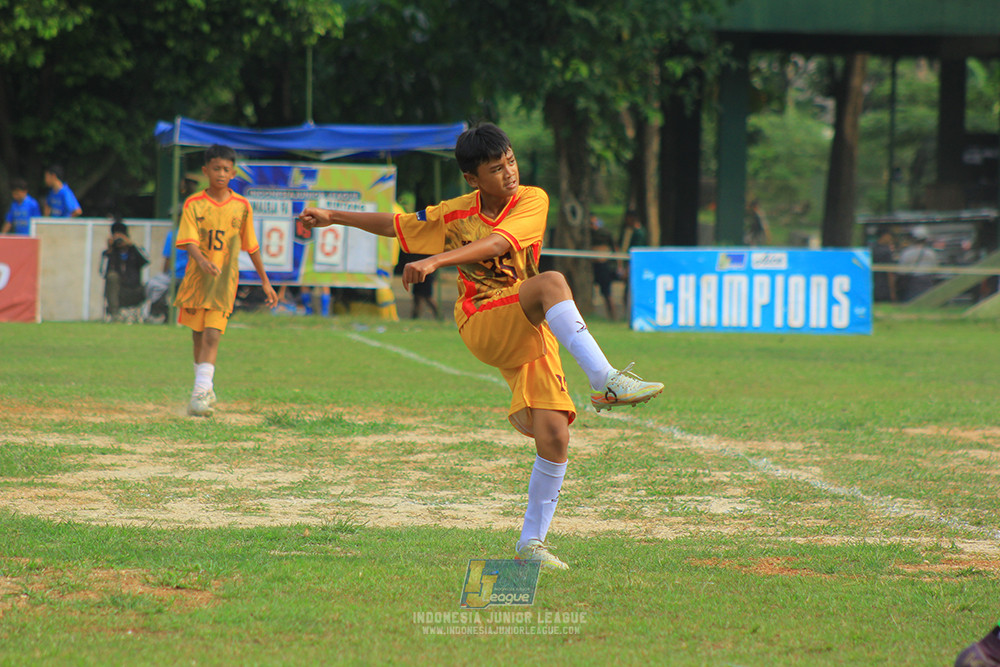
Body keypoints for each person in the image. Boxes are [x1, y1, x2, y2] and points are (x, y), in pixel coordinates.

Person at [298, 123, 664, 571]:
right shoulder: (454, 213)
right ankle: (606, 379)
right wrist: (334, 216)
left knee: (555, 435)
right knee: (550, 283)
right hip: (482, 319)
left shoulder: (533, 198)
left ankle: (531, 543)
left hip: (527, 320)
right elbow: (398, 226)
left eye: (511, 161)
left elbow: (497, 241)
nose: (509, 172)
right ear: (473, 179)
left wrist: (436, 259)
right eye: (496, 168)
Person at [174, 144, 278, 417]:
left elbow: (252, 246)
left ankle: (199, 395)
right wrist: (202, 260)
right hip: (197, 281)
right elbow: (189, 240)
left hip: (224, 283)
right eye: (216, 168)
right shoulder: (193, 204)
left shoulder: (241, 207)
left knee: (212, 335)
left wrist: (265, 281)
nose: (221, 173)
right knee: (198, 337)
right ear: (206, 170)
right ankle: (203, 388)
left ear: (233, 173)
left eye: (226, 169)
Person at [101, 217, 150, 322]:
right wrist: (110, 250)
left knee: (152, 285)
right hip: (117, 292)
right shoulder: (109, 254)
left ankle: (151, 316)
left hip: (135, 290)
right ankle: (114, 316)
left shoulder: (135, 251)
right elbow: (103, 271)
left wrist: (131, 245)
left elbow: (146, 260)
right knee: (112, 276)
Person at [897, 226, 939, 301]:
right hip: (927, 282)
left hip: (912, 283)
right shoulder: (931, 253)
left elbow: (901, 271)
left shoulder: (906, 253)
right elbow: (935, 269)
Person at [588, 214, 618, 320]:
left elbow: (614, 249)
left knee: (607, 293)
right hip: (592, 267)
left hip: (604, 266)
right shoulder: (588, 235)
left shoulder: (604, 234)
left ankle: (612, 316)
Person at [871, 227, 898, 303]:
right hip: (884, 287)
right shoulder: (886, 251)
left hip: (872, 285)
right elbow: (890, 272)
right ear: (885, 236)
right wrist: (893, 292)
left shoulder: (872, 249)